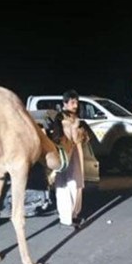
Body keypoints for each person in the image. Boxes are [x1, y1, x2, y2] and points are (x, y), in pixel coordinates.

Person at [52, 89, 88, 229]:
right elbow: (57, 136)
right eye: (72, 102)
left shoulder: (78, 118)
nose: (75, 105)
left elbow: (84, 137)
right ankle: (66, 219)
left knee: (77, 184)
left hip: (77, 153)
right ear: (65, 103)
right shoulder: (60, 118)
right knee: (64, 185)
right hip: (65, 153)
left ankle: (74, 215)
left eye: (76, 102)